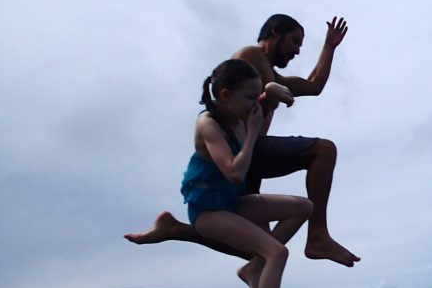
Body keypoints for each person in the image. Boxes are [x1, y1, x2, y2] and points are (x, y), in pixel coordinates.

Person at [126, 14, 360, 269]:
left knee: (259, 247)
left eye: (301, 45)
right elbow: (230, 88)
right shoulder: (250, 55)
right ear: (273, 33)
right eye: (294, 41)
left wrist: (329, 47)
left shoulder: (273, 74)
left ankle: (176, 230)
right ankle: (317, 235)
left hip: (250, 158)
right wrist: (269, 90)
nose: (297, 50)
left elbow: (313, 86)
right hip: (244, 148)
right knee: (322, 150)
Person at [182, 58, 312, 288]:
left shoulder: (244, 110)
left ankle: (252, 269)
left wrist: (272, 91)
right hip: (207, 211)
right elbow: (234, 173)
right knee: (276, 253)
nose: (255, 104)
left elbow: (267, 95)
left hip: (231, 203)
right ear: (225, 95)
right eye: (249, 97)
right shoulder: (209, 124)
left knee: (303, 207)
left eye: (256, 97)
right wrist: (253, 132)